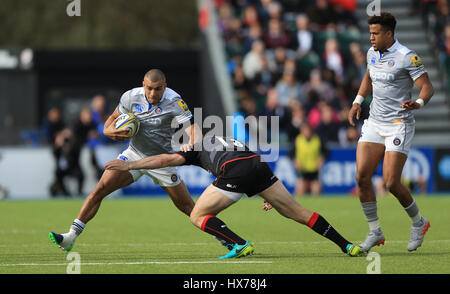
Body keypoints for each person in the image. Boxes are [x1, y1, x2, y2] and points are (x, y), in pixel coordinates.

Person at [104, 135, 363, 259]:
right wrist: (266, 192)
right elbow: (248, 157)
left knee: (197, 215)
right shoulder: (222, 137)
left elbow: (164, 159)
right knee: (296, 212)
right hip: (258, 165)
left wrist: (130, 165)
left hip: (236, 171)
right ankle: (347, 245)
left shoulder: (192, 150)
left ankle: (239, 244)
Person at [49, 69, 208, 252]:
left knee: (188, 208)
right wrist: (113, 132)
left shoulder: (174, 100)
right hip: (134, 154)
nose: (152, 94)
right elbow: (110, 123)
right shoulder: (130, 97)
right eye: (149, 88)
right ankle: (70, 237)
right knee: (100, 190)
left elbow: (193, 127)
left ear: (165, 86)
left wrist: (191, 143)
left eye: (157, 89)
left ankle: (224, 238)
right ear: (143, 85)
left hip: (161, 160)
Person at [347, 12, 434, 252]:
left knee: (391, 182)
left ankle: (419, 223)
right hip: (374, 122)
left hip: (398, 123)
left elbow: (427, 86)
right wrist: (357, 100)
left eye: (375, 33)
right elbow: (368, 76)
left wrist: (418, 103)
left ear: (389, 33)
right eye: (370, 33)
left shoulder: (407, 57)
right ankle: (375, 232)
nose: (371, 37)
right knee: (361, 177)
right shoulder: (371, 53)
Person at [294, 123, 326, 197]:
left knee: (316, 190)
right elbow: (290, 153)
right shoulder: (298, 140)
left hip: (314, 171)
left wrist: (322, 158)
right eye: (304, 131)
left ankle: (316, 208)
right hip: (302, 170)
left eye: (307, 130)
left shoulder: (317, 139)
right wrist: (295, 161)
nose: (306, 133)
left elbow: (326, 152)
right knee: (300, 190)